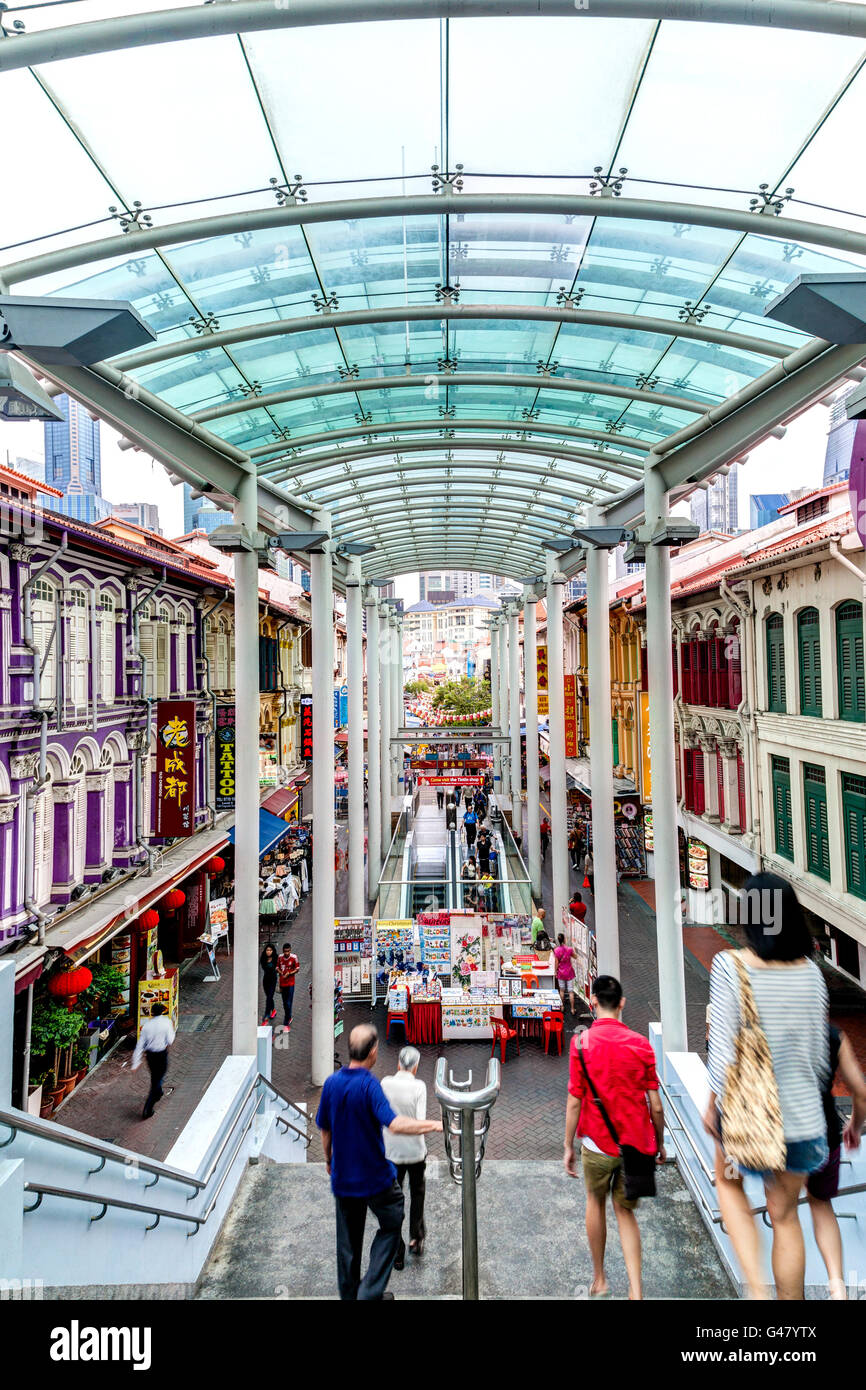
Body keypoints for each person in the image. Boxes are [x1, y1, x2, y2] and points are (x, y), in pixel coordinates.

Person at [704, 873, 830, 1301]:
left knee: (727, 1182)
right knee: (786, 1215)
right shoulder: (812, 974)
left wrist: (713, 1107)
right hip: (803, 1120)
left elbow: (722, 1057)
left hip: (749, 1117)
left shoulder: (730, 966)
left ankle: (756, 1289)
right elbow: (818, 1060)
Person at [315, 1024, 441, 1301]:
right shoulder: (369, 1085)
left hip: (343, 1177)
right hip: (374, 1177)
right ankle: (370, 1291)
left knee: (347, 1243)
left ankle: (351, 1295)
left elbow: (325, 1130)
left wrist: (328, 1160)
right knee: (393, 1217)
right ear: (372, 1052)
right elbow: (394, 1124)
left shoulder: (332, 1084)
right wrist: (432, 1124)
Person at [564, 975, 665, 1300]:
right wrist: (660, 1143)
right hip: (634, 1145)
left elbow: (575, 1100)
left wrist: (568, 1145)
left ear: (592, 1003)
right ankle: (636, 1291)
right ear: (621, 1004)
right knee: (626, 1212)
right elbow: (656, 1105)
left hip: (595, 1142)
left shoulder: (581, 1044)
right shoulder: (641, 1045)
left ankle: (600, 1279)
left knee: (595, 1203)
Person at [806, 1026, 866, 1299]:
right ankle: (837, 1286)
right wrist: (854, 1126)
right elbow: (860, 1092)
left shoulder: (765, 1029)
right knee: (821, 1204)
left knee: (782, 1215)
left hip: (783, 1137)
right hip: (825, 1135)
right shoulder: (832, 1035)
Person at [382, 1046, 429, 1269]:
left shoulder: (385, 1083)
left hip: (391, 1152)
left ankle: (397, 1252)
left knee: (394, 1201)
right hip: (415, 1152)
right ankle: (416, 1237)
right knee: (417, 1194)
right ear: (416, 1066)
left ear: (398, 1064)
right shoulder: (419, 1087)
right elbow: (420, 1122)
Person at [132, 1003, 176, 1121]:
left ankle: (159, 1091)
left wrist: (135, 1062)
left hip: (150, 1056)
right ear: (162, 1011)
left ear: (152, 1012)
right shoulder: (166, 1022)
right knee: (158, 1078)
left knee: (155, 1076)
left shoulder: (147, 1026)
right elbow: (170, 1041)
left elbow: (140, 1045)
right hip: (161, 1054)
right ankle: (148, 1108)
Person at [554, 933, 579, 1015]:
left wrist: (555, 971)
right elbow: (575, 957)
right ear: (564, 939)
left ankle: (562, 1007)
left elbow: (556, 963)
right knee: (571, 991)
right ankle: (572, 1009)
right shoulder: (569, 949)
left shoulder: (556, 950)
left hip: (561, 973)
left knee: (561, 990)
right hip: (569, 973)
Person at [277, 941, 300, 1029]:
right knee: (284, 1002)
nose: (286, 953)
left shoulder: (294, 958)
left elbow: (297, 969)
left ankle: (286, 1021)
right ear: (283, 951)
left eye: (288, 951)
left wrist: (289, 973)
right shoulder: (280, 957)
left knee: (288, 1002)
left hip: (290, 983)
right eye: (285, 951)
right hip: (282, 983)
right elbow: (277, 967)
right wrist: (281, 972)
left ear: (290, 951)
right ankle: (289, 1016)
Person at [260, 942, 278, 1023]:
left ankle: (266, 1014)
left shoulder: (276, 958)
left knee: (269, 998)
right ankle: (273, 1010)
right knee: (269, 997)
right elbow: (265, 968)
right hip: (266, 980)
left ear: (273, 951)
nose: (269, 952)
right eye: (267, 950)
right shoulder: (263, 958)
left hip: (273, 980)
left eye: (270, 950)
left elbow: (275, 969)